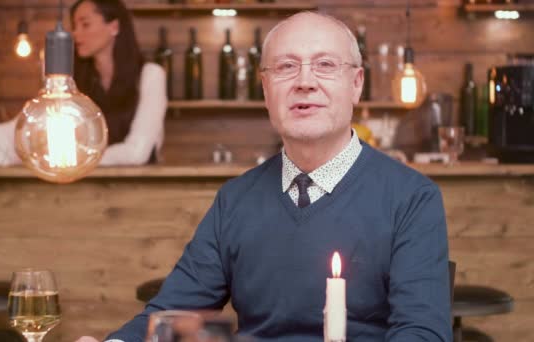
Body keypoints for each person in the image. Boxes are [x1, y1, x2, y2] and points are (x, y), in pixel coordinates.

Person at [77, 12, 451, 342]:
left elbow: (422, 332)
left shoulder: (412, 198)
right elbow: (172, 310)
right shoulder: (235, 200)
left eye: (324, 65)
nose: (304, 81)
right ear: (265, 88)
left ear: (356, 84)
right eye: (286, 67)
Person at [0, 0, 166, 166]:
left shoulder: (150, 75)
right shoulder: (72, 82)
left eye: (86, 24)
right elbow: (23, 127)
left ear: (114, 26)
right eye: (74, 26)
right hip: (85, 189)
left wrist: (74, 161)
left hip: (137, 190)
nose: (77, 34)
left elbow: (138, 151)